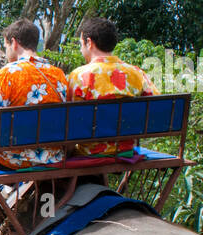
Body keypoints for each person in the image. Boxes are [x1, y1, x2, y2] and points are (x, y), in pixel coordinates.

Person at [0, 19, 68, 168]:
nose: (6, 52)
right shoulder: (59, 74)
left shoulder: (8, 73)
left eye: (6, 46)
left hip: (14, 159)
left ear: (14, 43)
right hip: (53, 157)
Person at [67, 16, 156, 156]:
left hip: (90, 152)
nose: (81, 49)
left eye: (80, 44)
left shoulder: (79, 76)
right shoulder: (136, 73)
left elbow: (69, 119)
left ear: (89, 43)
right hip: (127, 150)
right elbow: (156, 105)